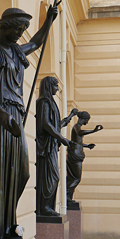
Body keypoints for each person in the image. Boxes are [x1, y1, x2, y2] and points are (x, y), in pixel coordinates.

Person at [0, 5, 58, 239]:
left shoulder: (17, 52)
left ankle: (7, 217)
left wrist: (48, 21)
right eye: (18, 28)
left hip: (14, 117)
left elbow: (37, 43)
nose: (21, 33)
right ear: (5, 26)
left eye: (24, 29)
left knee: (22, 171)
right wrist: (0, 113)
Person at [36, 77, 77, 217]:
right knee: (50, 177)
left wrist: (71, 115)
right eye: (55, 85)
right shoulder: (43, 103)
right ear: (49, 86)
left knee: (53, 177)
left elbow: (56, 125)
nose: (57, 88)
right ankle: (44, 208)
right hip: (45, 148)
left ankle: (48, 207)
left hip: (51, 146)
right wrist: (61, 138)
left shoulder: (50, 103)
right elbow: (45, 124)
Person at [66, 112, 103, 205]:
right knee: (76, 178)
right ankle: (66, 195)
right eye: (87, 120)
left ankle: (68, 198)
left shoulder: (77, 127)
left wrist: (87, 146)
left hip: (76, 153)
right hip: (75, 155)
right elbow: (80, 132)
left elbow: (77, 142)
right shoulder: (76, 126)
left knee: (72, 177)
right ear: (84, 119)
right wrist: (93, 131)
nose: (87, 121)